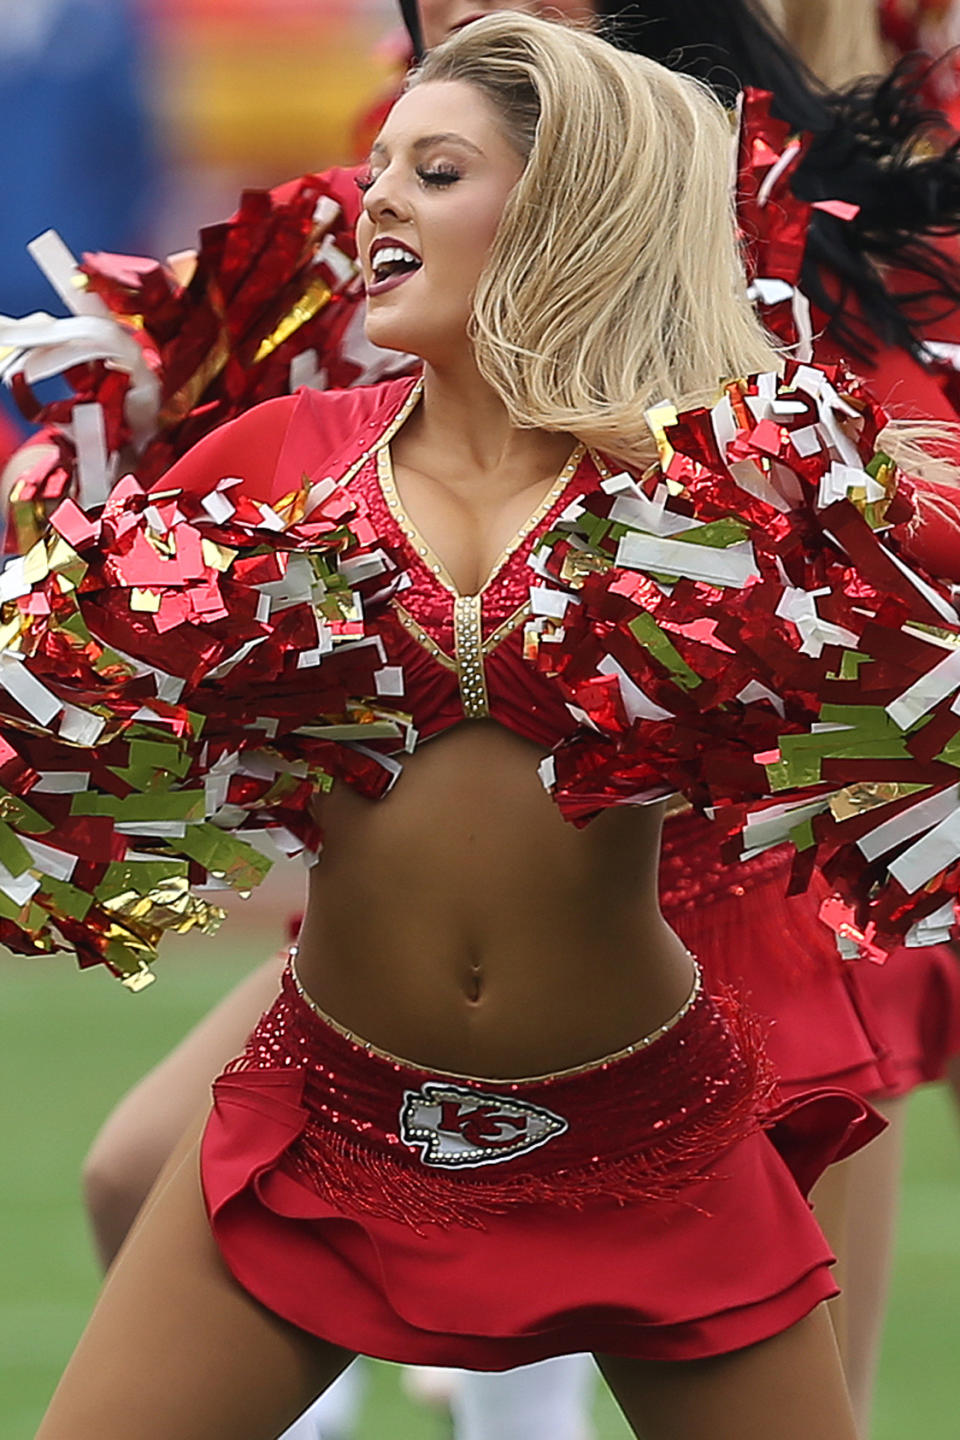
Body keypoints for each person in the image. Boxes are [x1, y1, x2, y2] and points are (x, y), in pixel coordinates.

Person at [15, 14, 952, 1438]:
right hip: (331, 1128)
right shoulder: (271, 461)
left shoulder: (724, 477)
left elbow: (902, 710)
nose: (375, 196)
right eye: (380, 163)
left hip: (653, 1142)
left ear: (566, 209)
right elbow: (75, 722)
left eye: (433, 172)